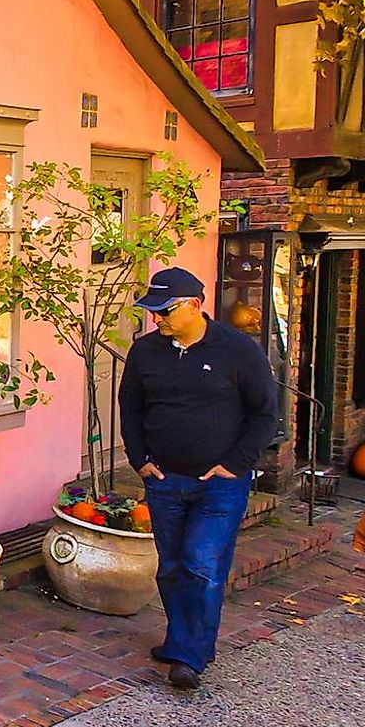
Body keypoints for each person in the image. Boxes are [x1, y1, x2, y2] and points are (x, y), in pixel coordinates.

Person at [118, 266, 280, 690]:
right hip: (164, 478)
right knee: (171, 567)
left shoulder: (238, 351)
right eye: (152, 312)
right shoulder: (145, 353)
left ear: (195, 305)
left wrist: (235, 464)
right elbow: (130, 409)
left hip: (220, 482)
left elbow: (264, 413)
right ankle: (180, 641)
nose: (158, 319)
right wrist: (140, 459)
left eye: (166, 310)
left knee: (202, 564)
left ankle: (192, 655)